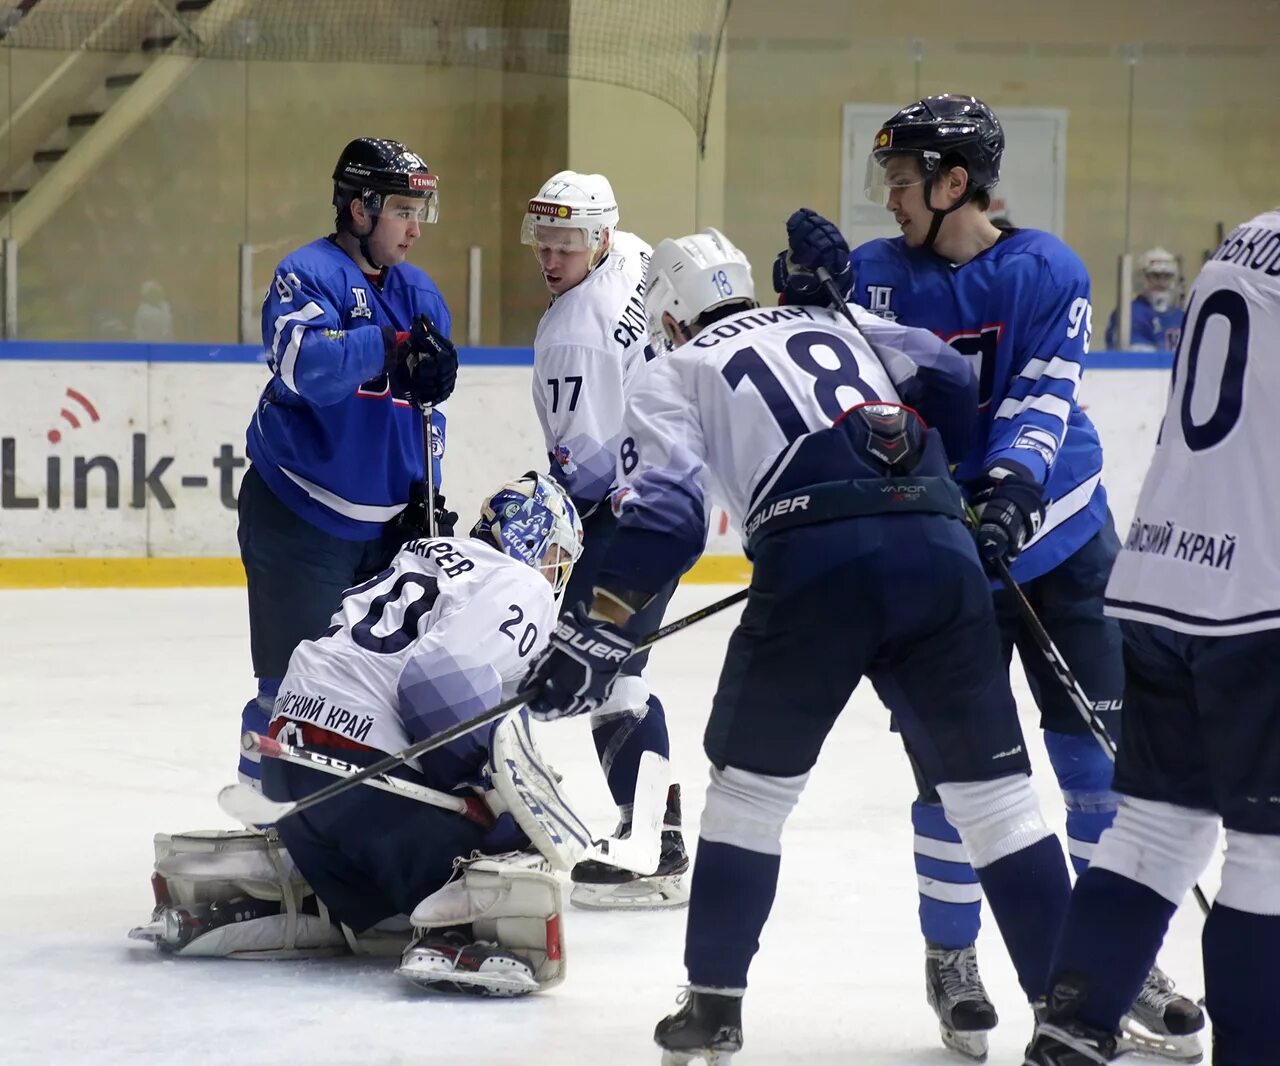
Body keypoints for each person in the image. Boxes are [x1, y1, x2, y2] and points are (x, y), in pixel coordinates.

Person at [522, 224, 1077, 1062]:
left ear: (670, 317)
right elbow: (951, 379)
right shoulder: (841, 321)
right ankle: (1070, 1016)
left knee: (749, 796)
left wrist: (595, 627)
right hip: (939, 548)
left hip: (815, 567)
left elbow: (667, 523)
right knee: (998, 806)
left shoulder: (676, 368)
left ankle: (713, 1008)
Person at [789, 93, 1202, 1060]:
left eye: (901, 183)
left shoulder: (1044, 269)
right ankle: (952, 956)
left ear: (954, 183)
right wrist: (804, 305)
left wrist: (1013, 486)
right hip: (944, 555)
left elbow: (1044, 397)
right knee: (957, 779)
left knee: (1099, 769)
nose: (887, 200)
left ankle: (1116, 961)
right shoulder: (875, 279)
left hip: (1061, 542)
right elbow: (823, 381)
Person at [133, 474, 586, 996]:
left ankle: (304, 901)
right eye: (555, 555)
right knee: (511, 835)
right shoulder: (520, 583)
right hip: (367, 782)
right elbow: (434, 684)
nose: (555, 572)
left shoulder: (425, 552)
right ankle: (456, 932)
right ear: (530, 537)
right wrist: (492, 796)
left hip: (289, 765)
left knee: (384, 925)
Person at [1025, 209, 1280, 1066]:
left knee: (1157, 831)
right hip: (1262, 601)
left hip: (1166, 576)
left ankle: (1069, 1033)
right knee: (1271, 855)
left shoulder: (1250, 238)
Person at [236, 137, 460, 789]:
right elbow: (305, 365)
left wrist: (426, 494)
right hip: (299, 519)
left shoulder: (422, 292)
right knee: (288, 691)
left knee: (375, 696)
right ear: (359, 209)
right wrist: (387, 346)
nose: (416, 228)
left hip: (386, 532)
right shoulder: (306, 273)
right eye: (401, 211)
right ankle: (265, 822)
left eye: (423, 212)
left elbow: (424, 414)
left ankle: (346, 827)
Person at [520, 170, 688, 909]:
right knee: (621, 670)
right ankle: (652, 829)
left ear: (598, 240)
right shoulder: (638, 256)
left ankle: (654, 843)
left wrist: (555, 517)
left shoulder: (569, 335)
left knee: (608, 672)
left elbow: (582, 470)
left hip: (630, 515)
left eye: (566, 247)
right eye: (544, 246)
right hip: (678, 489)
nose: (551, 261)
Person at [1104, 247, 1184, 351]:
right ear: (1141, 278)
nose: (1161, 282)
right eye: (1155, 276)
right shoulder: (1131, 314)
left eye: (1167, 276)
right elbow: (1141, 360)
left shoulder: (1180, 316)